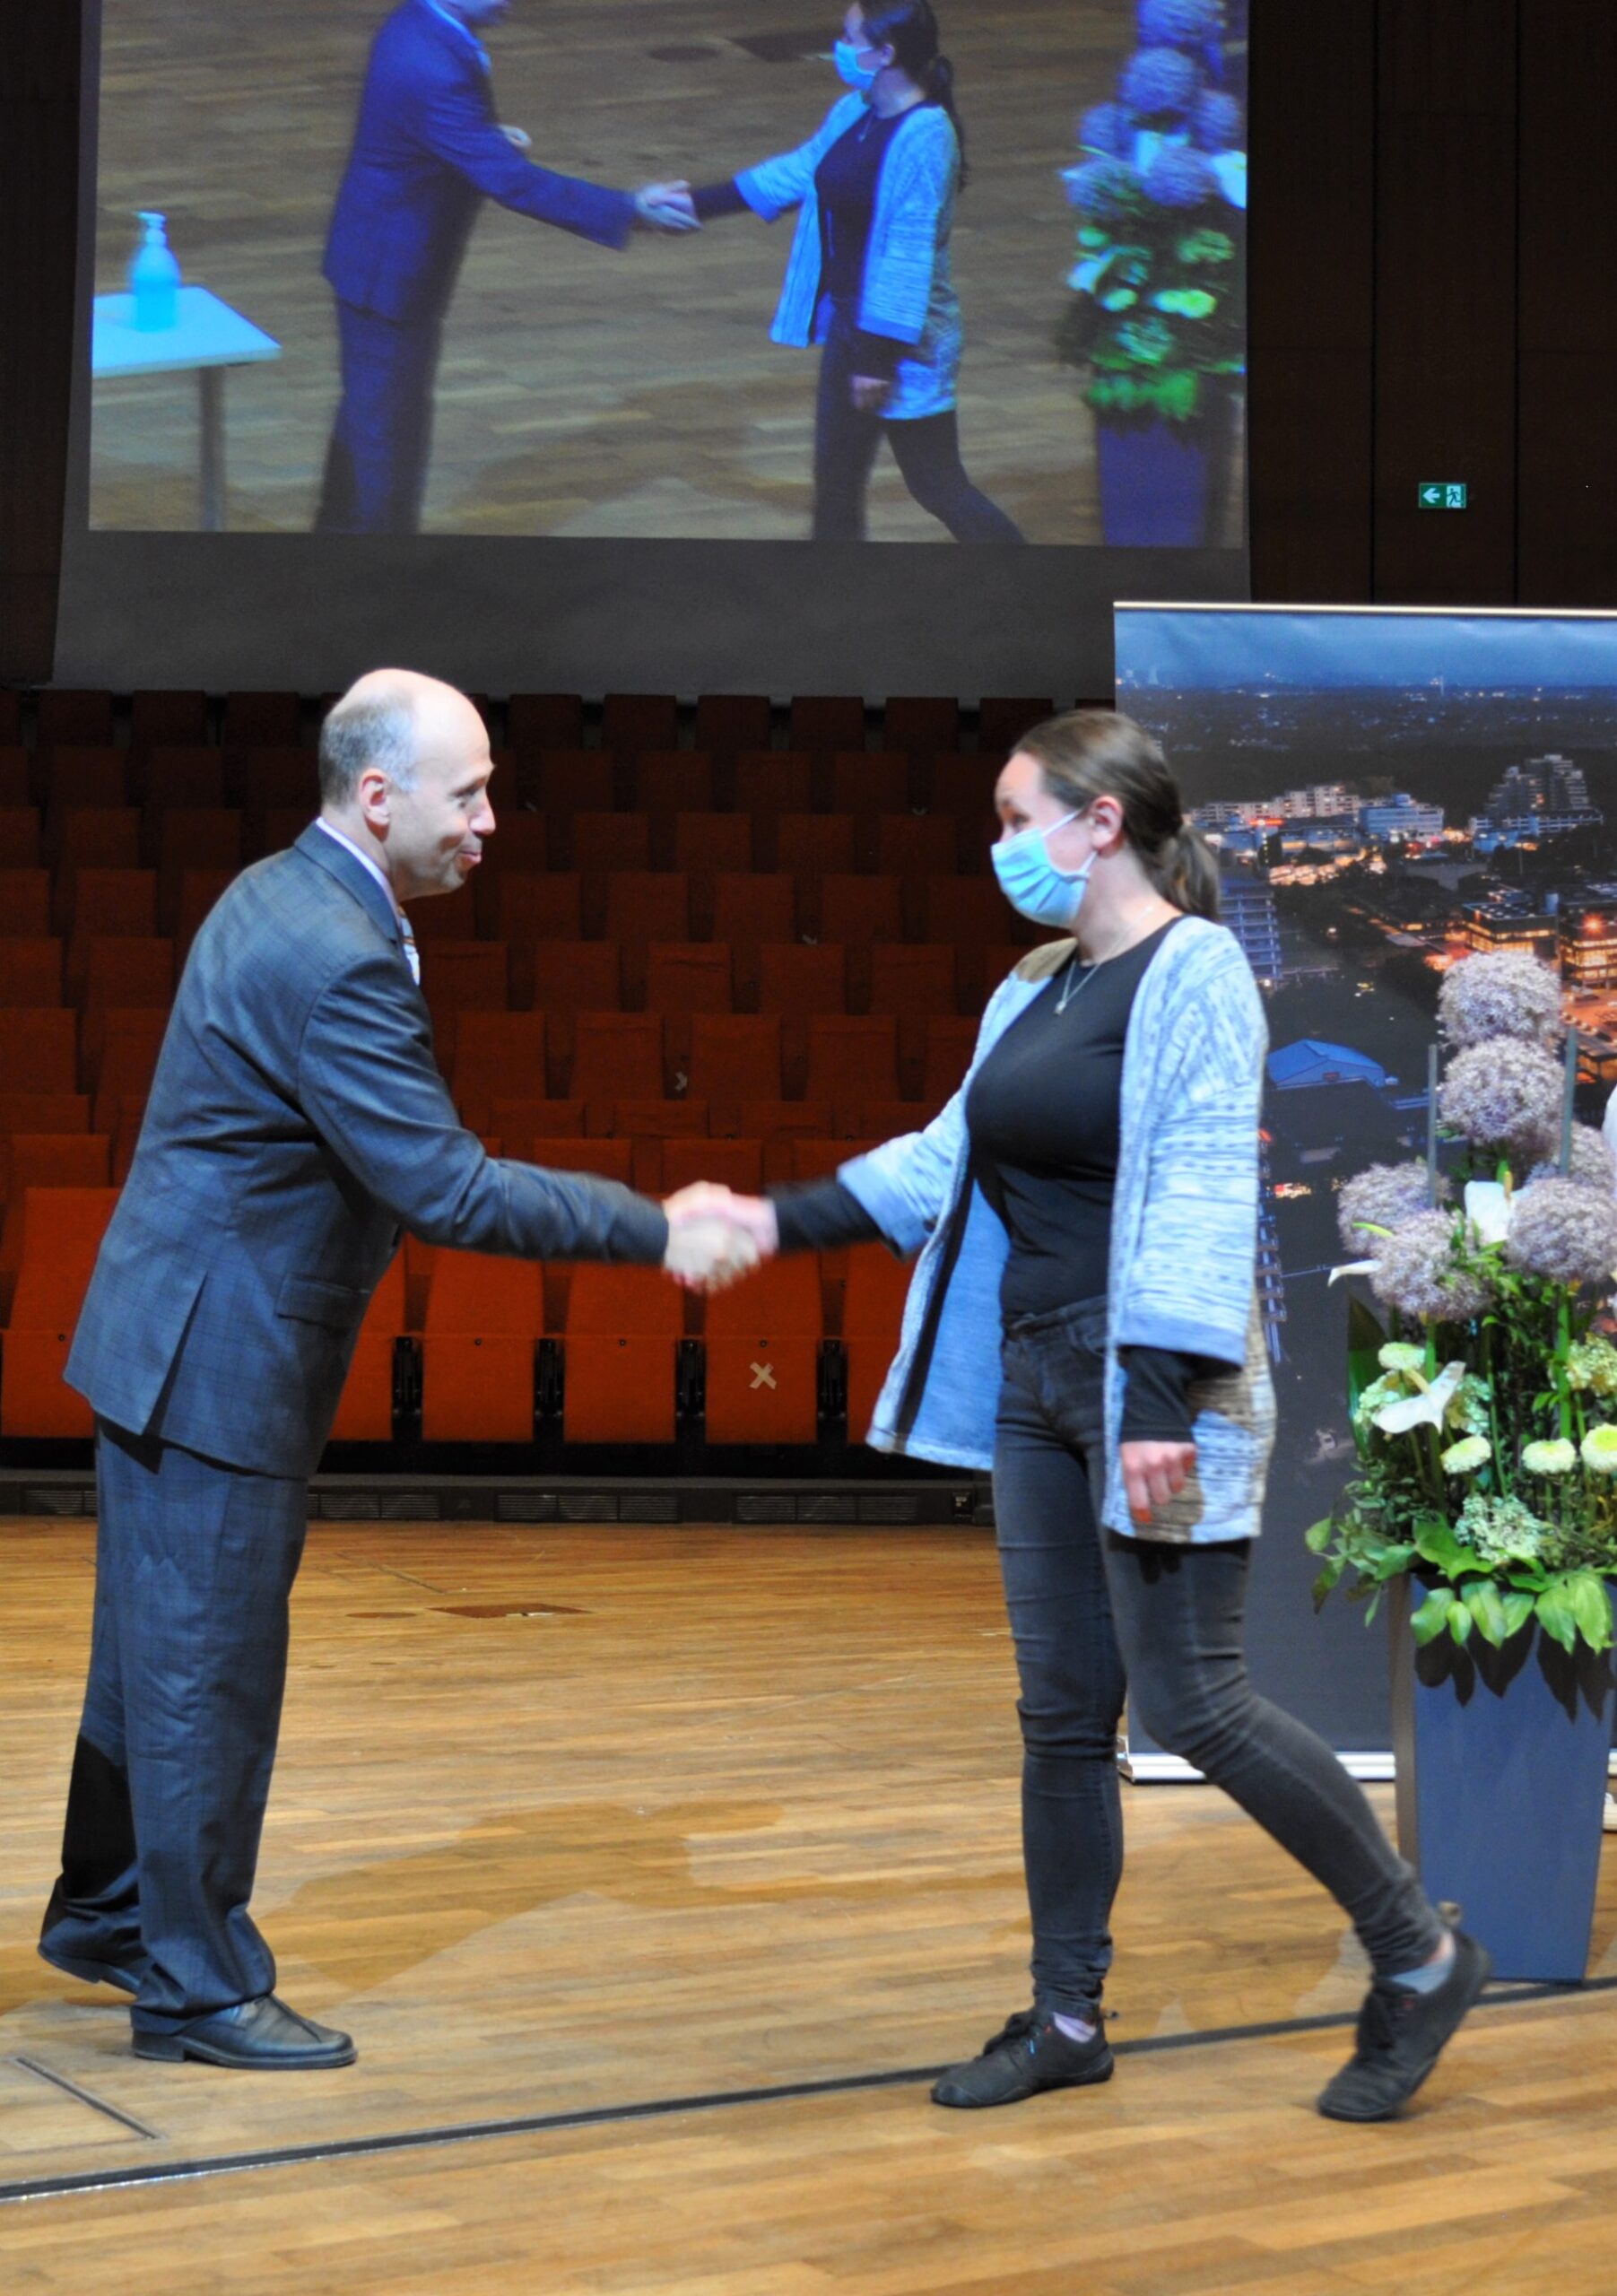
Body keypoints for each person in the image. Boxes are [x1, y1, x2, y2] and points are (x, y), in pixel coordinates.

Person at [672, 710, 1490, 2123]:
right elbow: (938, 1161)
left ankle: (1416, 1956)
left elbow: (1198, 1179)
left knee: (1193, 1701)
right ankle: (1064, 2016)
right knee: (1060, 1719)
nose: (999, 845)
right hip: (1033, 1385)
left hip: (1146, 1386)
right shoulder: (1032, 986)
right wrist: (770, 1217)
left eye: (1013, 817)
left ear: (1097, 820)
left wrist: (1156, 1395)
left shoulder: (1193, 971)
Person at [39, 671, 758, 2070]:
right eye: (468, 792)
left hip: (168, 1334)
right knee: (203, 1678)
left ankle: (115, 1915)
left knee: (151, 1666)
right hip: (216, 1355)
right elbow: (444, 1186)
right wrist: (653, 1226)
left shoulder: (279, 889)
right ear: (378, 796)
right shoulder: (336, 952)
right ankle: (194, 1988)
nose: (490, 820)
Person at [317, 0, 699, 534]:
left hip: (375, 260)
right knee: (387, 447)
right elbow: (513, 183)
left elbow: (438, 138)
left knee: (368, 424)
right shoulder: (434, 65)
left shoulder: (416, 23)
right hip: (389, 276)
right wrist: (630, 209)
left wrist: (482, 141)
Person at [685, 0, 1023, 543]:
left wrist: (876, 359)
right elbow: (799, 171)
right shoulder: (854, 111)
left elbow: (908, 252)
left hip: (899, 344)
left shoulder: (926, 135)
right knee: (836, 483)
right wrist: (696, 204)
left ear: (885, 53)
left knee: (937, 484)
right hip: (851, 327)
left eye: (849, 39)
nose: (837, 49)